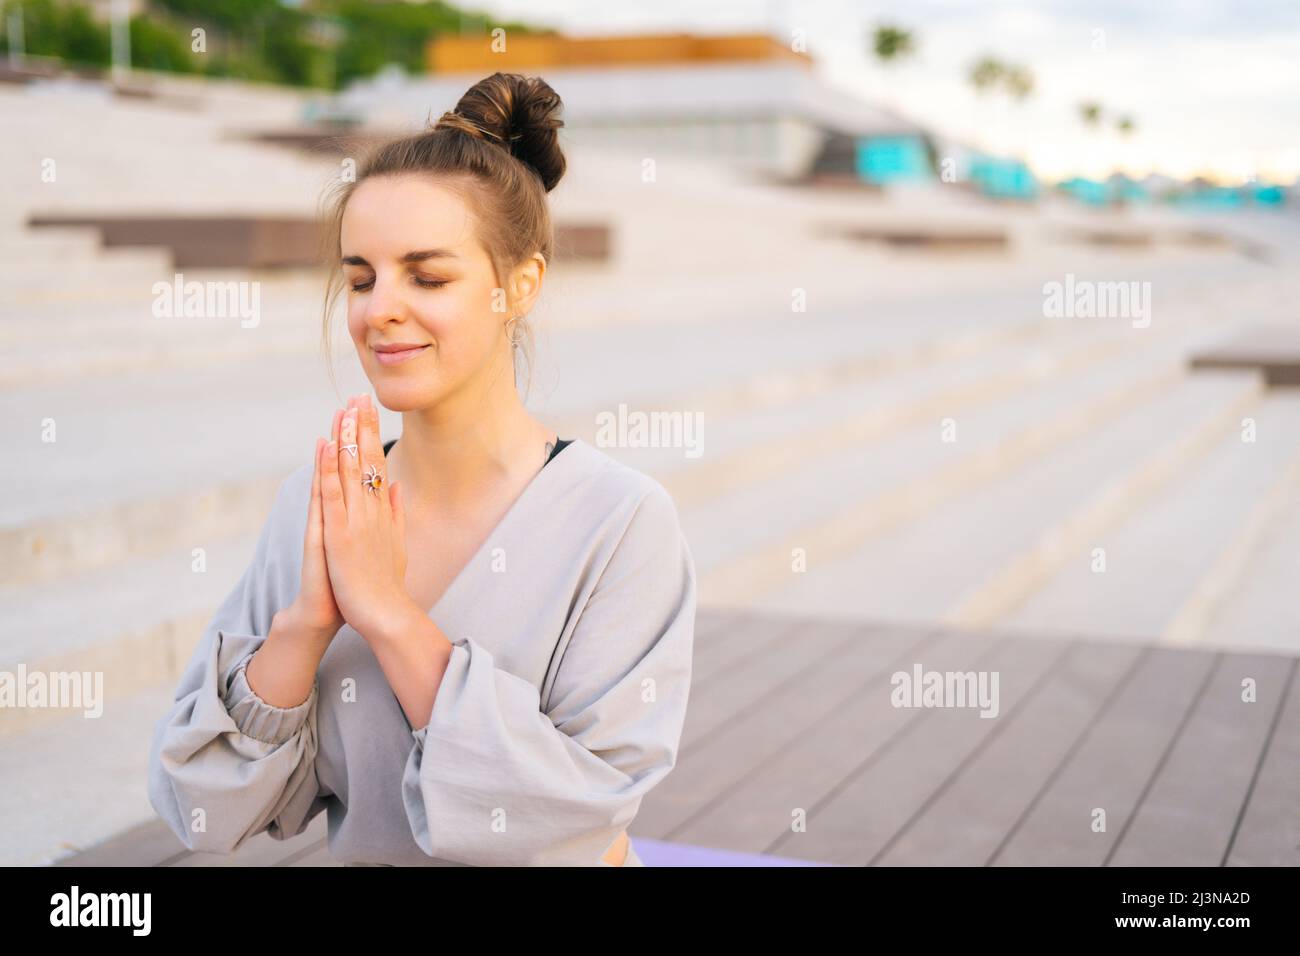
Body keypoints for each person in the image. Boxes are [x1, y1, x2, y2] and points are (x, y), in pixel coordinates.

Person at [147, 72, 696, 867]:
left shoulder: (621, 522)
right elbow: (202, 813)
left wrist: (388, 614)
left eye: (428, 276)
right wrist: (305, 626)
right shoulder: (320, 504)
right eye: (361, 278)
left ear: (521, 285)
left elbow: (576, 814)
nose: (379, 311)